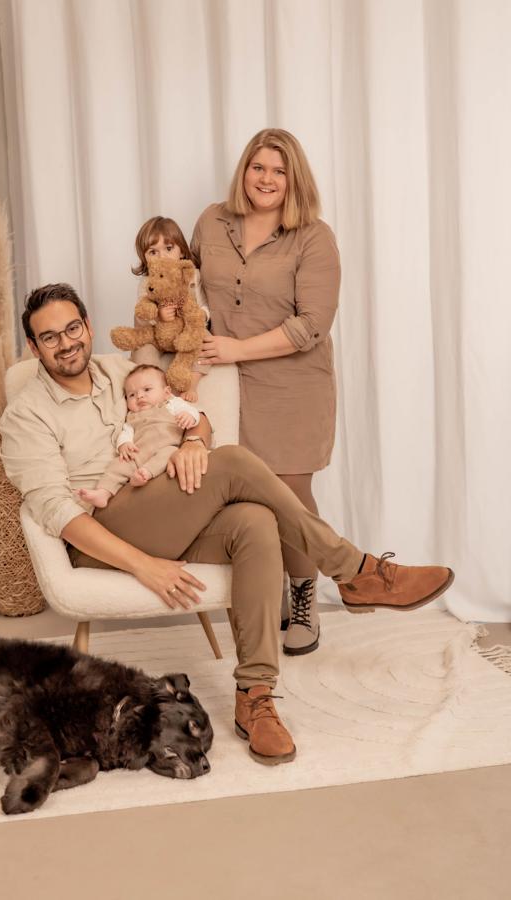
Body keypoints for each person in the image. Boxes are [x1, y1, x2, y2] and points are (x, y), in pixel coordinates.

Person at [0, 283, 454, 767]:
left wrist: (194, 442)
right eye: (50, 337)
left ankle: (255, 697)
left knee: (254, 522)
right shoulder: (24, 416)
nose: (66, 343)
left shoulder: (120, 373)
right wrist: (144, 565)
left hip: (163, 503)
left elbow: (192, 417)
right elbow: (61, 516)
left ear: (88, 326)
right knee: (234, 461)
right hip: (103, 530)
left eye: (72, 328)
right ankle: (354, 570)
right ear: (34, 347)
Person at [191, 128, 344, 657]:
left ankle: (304, 599)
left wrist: (237, 348)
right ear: (244, 170)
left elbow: (312, 325)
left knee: (290, 495)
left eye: (279, 171)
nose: (267, 179)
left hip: (291, 385)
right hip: (223, 382)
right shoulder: (212, 221)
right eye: (259, 167)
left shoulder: (314, 237)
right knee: (244, 494)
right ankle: (269, 584)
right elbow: (187, 289)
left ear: (294, 179)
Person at [76, 364, 200, 507]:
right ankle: (103, 493)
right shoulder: (132, 416)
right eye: (132, 395)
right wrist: (124, 444)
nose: (140, 396)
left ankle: (145, 473)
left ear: (166, 392)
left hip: (165, 449)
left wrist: (189, 416)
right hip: (137, 454)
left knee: (171, 453)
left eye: (147, 389)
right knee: (117, 466)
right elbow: (126, 432)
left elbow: (193, 412)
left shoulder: (172, 404)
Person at [131, 216, 210, 403]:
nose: (162, 257)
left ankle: (192, 384)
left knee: (205, 341)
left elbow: (204, 306)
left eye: (168, 248)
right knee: (142, 350)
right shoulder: (147, 282)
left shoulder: (193, 276)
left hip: (186, 331)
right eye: (153, 252)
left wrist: (199, 316)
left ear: (181, 251)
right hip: (159, 336)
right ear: (144, 258)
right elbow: (142, 314)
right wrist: (158, 315)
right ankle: (151, 389)